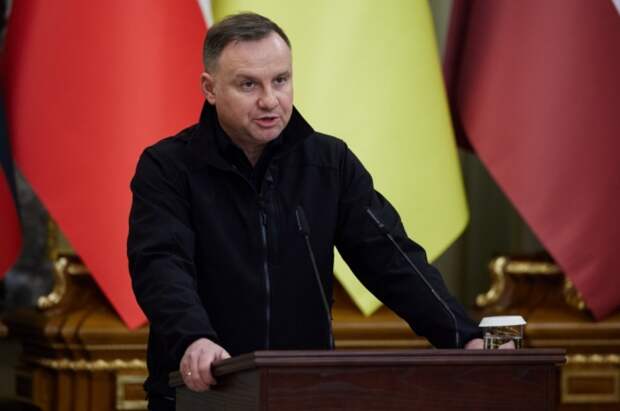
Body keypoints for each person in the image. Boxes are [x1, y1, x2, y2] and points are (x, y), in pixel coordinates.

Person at [128, 12, 483, 411]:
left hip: (305, 392)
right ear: (210, 89)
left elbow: (392, 259)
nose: (270, 100)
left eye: (280, 80)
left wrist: (464, 336)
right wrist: (193, 338)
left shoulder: (330, 163)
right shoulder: (167, 167)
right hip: (201, 389)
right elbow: (161, 264)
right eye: (248, 84)